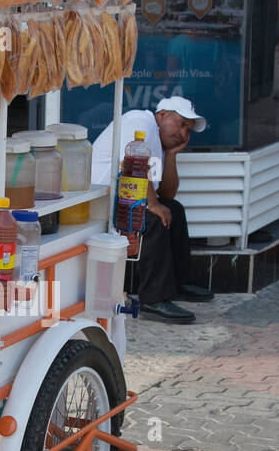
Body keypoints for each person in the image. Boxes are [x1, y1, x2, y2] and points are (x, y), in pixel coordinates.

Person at [90, 96, 214, 324]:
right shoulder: (141, 121)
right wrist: (152, 204)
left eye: (188, 130)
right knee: (153, 220)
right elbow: (131, 165)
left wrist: (171, 155)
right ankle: (154, 299)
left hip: (123, 198)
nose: (184, 134)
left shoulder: (157, 141)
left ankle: (178, 283)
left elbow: (168, 193)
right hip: (102, 201)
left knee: (173, 209)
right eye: (181, 123)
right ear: (163, 114)